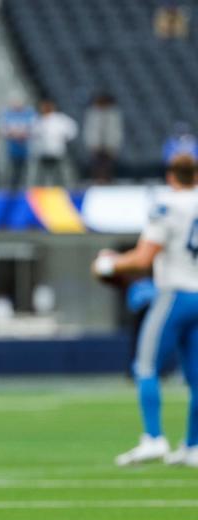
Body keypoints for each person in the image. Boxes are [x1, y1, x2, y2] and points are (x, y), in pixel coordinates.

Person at [94, 155, 198, 466]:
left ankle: (154, 438)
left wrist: (109, 262)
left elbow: (143, 259)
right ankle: (193, 446)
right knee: (195, 377)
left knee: (146, 366)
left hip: (176, 292)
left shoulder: (168, 204)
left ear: (170, 176)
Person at [31, 99, 77, 187]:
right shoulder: (39, 120)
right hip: (43, 152)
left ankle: (60, 189)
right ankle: (40, 190)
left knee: (58, 174)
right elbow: (33, 133)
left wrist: (64, 138)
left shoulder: (60, 119)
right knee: (41, 175)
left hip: (57, 151)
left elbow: (72, 129)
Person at [83, 92, 123, 184]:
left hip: (109, 143)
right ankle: (97, 180)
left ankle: (108, 180)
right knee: (97, 165)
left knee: (108, 165)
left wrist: (114, 143)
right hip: (96, 143)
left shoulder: (113, 113)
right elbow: (90, 129)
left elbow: (116, 129)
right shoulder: (93, 113)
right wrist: (91, 143)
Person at [0, 96, 35, 188]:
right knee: (10, 172)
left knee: (23, 172)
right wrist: (14, 134)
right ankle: (9, 189)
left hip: (25, 149)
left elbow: (34, 129)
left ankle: (22, 189)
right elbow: (3, 131)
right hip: (11, 149)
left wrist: (22, 134)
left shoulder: (28, 114)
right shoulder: (8, 114)